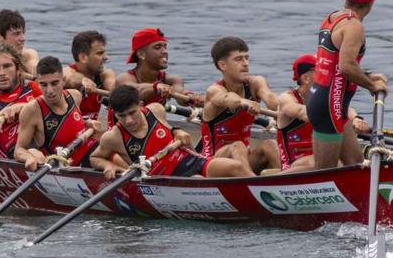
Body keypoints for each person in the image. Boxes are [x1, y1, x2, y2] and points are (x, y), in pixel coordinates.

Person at [307, 0, 388, 169]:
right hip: (330, 105)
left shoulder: (333, 17)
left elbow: (336, 64)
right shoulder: (354, 26)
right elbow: (346, 67)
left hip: (323, 98)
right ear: (371, 2)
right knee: (324, 172)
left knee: (355, 162)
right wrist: (371, 85)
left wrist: (367, 75)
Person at [91, 85, 252, 179]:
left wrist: (177, 131)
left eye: (132, 113)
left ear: (141, 105)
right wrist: (107, 166)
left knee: (236, 168)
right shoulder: (113, 137)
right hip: (167, 181)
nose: (129, 121)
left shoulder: (156, 110)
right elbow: (95, 157)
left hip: (194, 162)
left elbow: (170, 130)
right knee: (197, 181)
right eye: (121, 116)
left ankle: (260, 189)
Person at [199, 36, 280, 173]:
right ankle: (252, 183)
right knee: (237, 146)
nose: (245, 63)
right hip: (213, 162)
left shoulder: (255, 83)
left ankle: (288, 179)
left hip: (244, 158)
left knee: (269, 144)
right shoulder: (214, 90)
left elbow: (272, 100)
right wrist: (245, 102)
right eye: (238, 59)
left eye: (246, 58)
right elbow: (229, 99)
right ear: (222, 65)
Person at [277, 54, 369, 171]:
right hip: (294, 164)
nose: (328, 74)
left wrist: (356, 119)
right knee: (340, 163)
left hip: (324, 158)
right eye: (321, 70)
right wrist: (334, 115)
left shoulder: (323, 97)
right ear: (306, 78)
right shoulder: (287, 98)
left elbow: (345, 109)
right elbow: (303, 112)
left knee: (348, 160)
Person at [13, 56, 102, 171]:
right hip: (67, 165)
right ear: (38, 84)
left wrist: (86, 121)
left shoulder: (75, 96)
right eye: (44, 85)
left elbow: (70, 124)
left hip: (91, 152)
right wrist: (28, 158)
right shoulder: (32, 110)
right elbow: (19, 150)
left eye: (54, 83)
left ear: (63, 81)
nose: (50, 91)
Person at [110, 27, 204, 124]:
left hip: (147, 129)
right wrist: (156, 87)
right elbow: (136, 91)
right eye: (158, 47)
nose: (165, 51)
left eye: (165, 47)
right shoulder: (124, 79)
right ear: (141, 54)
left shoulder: (171, 79)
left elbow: (179, 95)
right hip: (122, 132)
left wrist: (191, 97)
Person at [63, 30, 115, 120]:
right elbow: (72, 80)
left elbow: (114, 88)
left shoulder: (105, 75)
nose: (106, 57)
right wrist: (84, 80)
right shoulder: (66, 72)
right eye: (100, 53)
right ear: (83, 57)